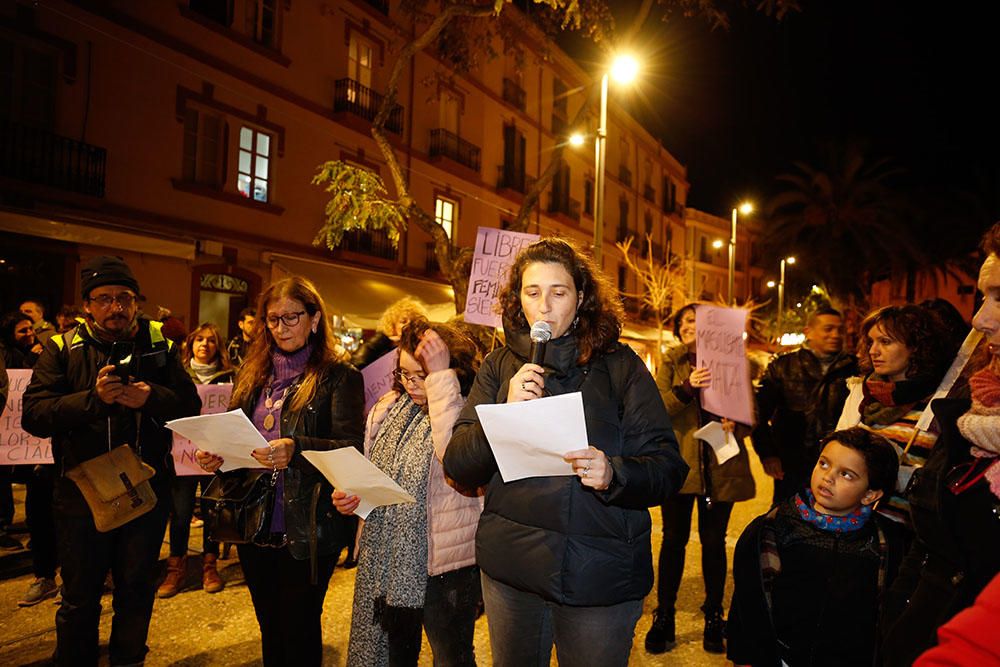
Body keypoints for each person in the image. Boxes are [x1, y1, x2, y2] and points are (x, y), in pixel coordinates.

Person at [443, 238, 689, 667]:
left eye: (558, 292)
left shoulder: (621, 366)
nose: (544, 306)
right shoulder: (499, 366)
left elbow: (667, 467)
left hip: (597, 578)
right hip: (512, 573)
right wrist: (502, 411)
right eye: (532, 292)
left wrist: (614, 473)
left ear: (581, 299)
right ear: (518, 300)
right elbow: (460, 465)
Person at [21, 255, 201, 666]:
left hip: (145, 490)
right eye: (104, 298)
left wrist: (150, 398)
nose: (115, 307)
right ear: (87, 305)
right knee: (79, 595)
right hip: (80, 493)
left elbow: (190, 406)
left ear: (137, 302)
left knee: (136, 589)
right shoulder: (62, 348)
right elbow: (34, 415)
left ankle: (129, 658)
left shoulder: (161, 346)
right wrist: (92, 400)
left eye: (124, 297)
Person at [195, 276, 364, 667]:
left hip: (307, 523)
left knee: (300, 626)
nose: (281, 328)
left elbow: (349, 447)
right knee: (269, 624)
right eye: (273, 320)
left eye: (292, 317)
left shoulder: (339, 376)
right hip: (253, 520)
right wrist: (216, 454)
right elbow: (235, 431)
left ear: (315, 318)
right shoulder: (252, 373)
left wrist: (297, 448)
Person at [880, 223, 1000, 666]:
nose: (980, 318)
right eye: (984, 297)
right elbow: (931, 542)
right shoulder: (972, 411)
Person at [334, 318, 483, 666]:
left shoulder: (464, 408)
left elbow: (456, 460)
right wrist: (353, 499)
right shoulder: (389, 409)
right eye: (404, 374)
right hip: (389, 559)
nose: (413, 385)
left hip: (447, 564)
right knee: (396, 653)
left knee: (451, 656)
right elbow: (374, 480)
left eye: (422, 374)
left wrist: (440, 380)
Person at [727, 427, 904, 666]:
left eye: (847, 474)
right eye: (824, 464)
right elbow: (746, 605)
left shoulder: (885, 543)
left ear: (870, 494)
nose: (828, 477)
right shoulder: (771, 530)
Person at [646, 303, 756, 655]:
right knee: (673, 541)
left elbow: (750, 414)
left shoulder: (732, 361)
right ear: (679, 329)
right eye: (687, 321)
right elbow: (655, 409)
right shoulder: (671, 361)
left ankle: (714, 615)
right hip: (680, 465)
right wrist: (685, 388)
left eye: (700, 320)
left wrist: (736, 423)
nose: (694, 326)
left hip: (720, 467)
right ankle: (665, 615)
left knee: (714, 542)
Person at [836, 305, 954, 527]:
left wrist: (895, 473)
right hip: (848, 529)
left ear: (916, 347)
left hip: (903, 535)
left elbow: (942, 486)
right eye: (871, 342)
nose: (873, 351)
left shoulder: (939, 406)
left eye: (885, 342)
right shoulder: (861, 394)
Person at [157, 323, 234, 598]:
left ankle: (209, 566)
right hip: (183, 455)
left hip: (214, 457)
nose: (205, 345)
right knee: (180, 513)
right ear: (191, 344)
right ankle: (175, 568)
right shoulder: (178, 374)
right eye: (200, 339)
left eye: (211, 341)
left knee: (212, 511)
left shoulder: (229, 377)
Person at [752, 307, 858, 503]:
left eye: (839, 330)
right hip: (792, 462)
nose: (835, 335)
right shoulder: (783, 366)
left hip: (840, 462)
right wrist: (768, 453)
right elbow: (758, 412)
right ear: (809, 332)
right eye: (828, 329)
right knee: (788, 517)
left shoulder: (855, 368)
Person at [1, 311, 61, 604]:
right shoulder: (21, 363)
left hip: (68, 456)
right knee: (39, 517)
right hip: (36, 456)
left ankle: (82, 576)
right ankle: (44, 576)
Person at [351, 296, 428, 369]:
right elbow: (357, 364)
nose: (408, 325)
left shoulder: (422, 347)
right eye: (403, 321)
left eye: (414, 321)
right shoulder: (382, 345)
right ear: (393, 325)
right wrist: (381, 340)